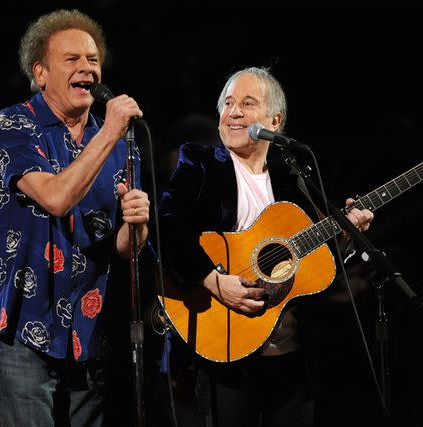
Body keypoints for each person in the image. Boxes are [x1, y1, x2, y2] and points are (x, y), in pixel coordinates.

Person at [157, 66, 374, 426]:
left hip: (291, 354)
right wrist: (214, 281)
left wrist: (345, 237)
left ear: (275, 120)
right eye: (227, 103)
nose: (234, 112)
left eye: (247, 103)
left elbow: (311, 268)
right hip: (226, 346)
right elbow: (166, 230)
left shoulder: (293, 179)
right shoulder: (201, 164)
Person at [0, 9, 149, 427]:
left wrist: (136, 223)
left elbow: (124, 250)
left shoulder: (120, 145)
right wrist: (110, 132)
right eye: (72, 60)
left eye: (93, 60)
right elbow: (55, 197)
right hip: (22, 330)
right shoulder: (15, 124)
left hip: (89, 337)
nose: (87, 68)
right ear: (41, 73)